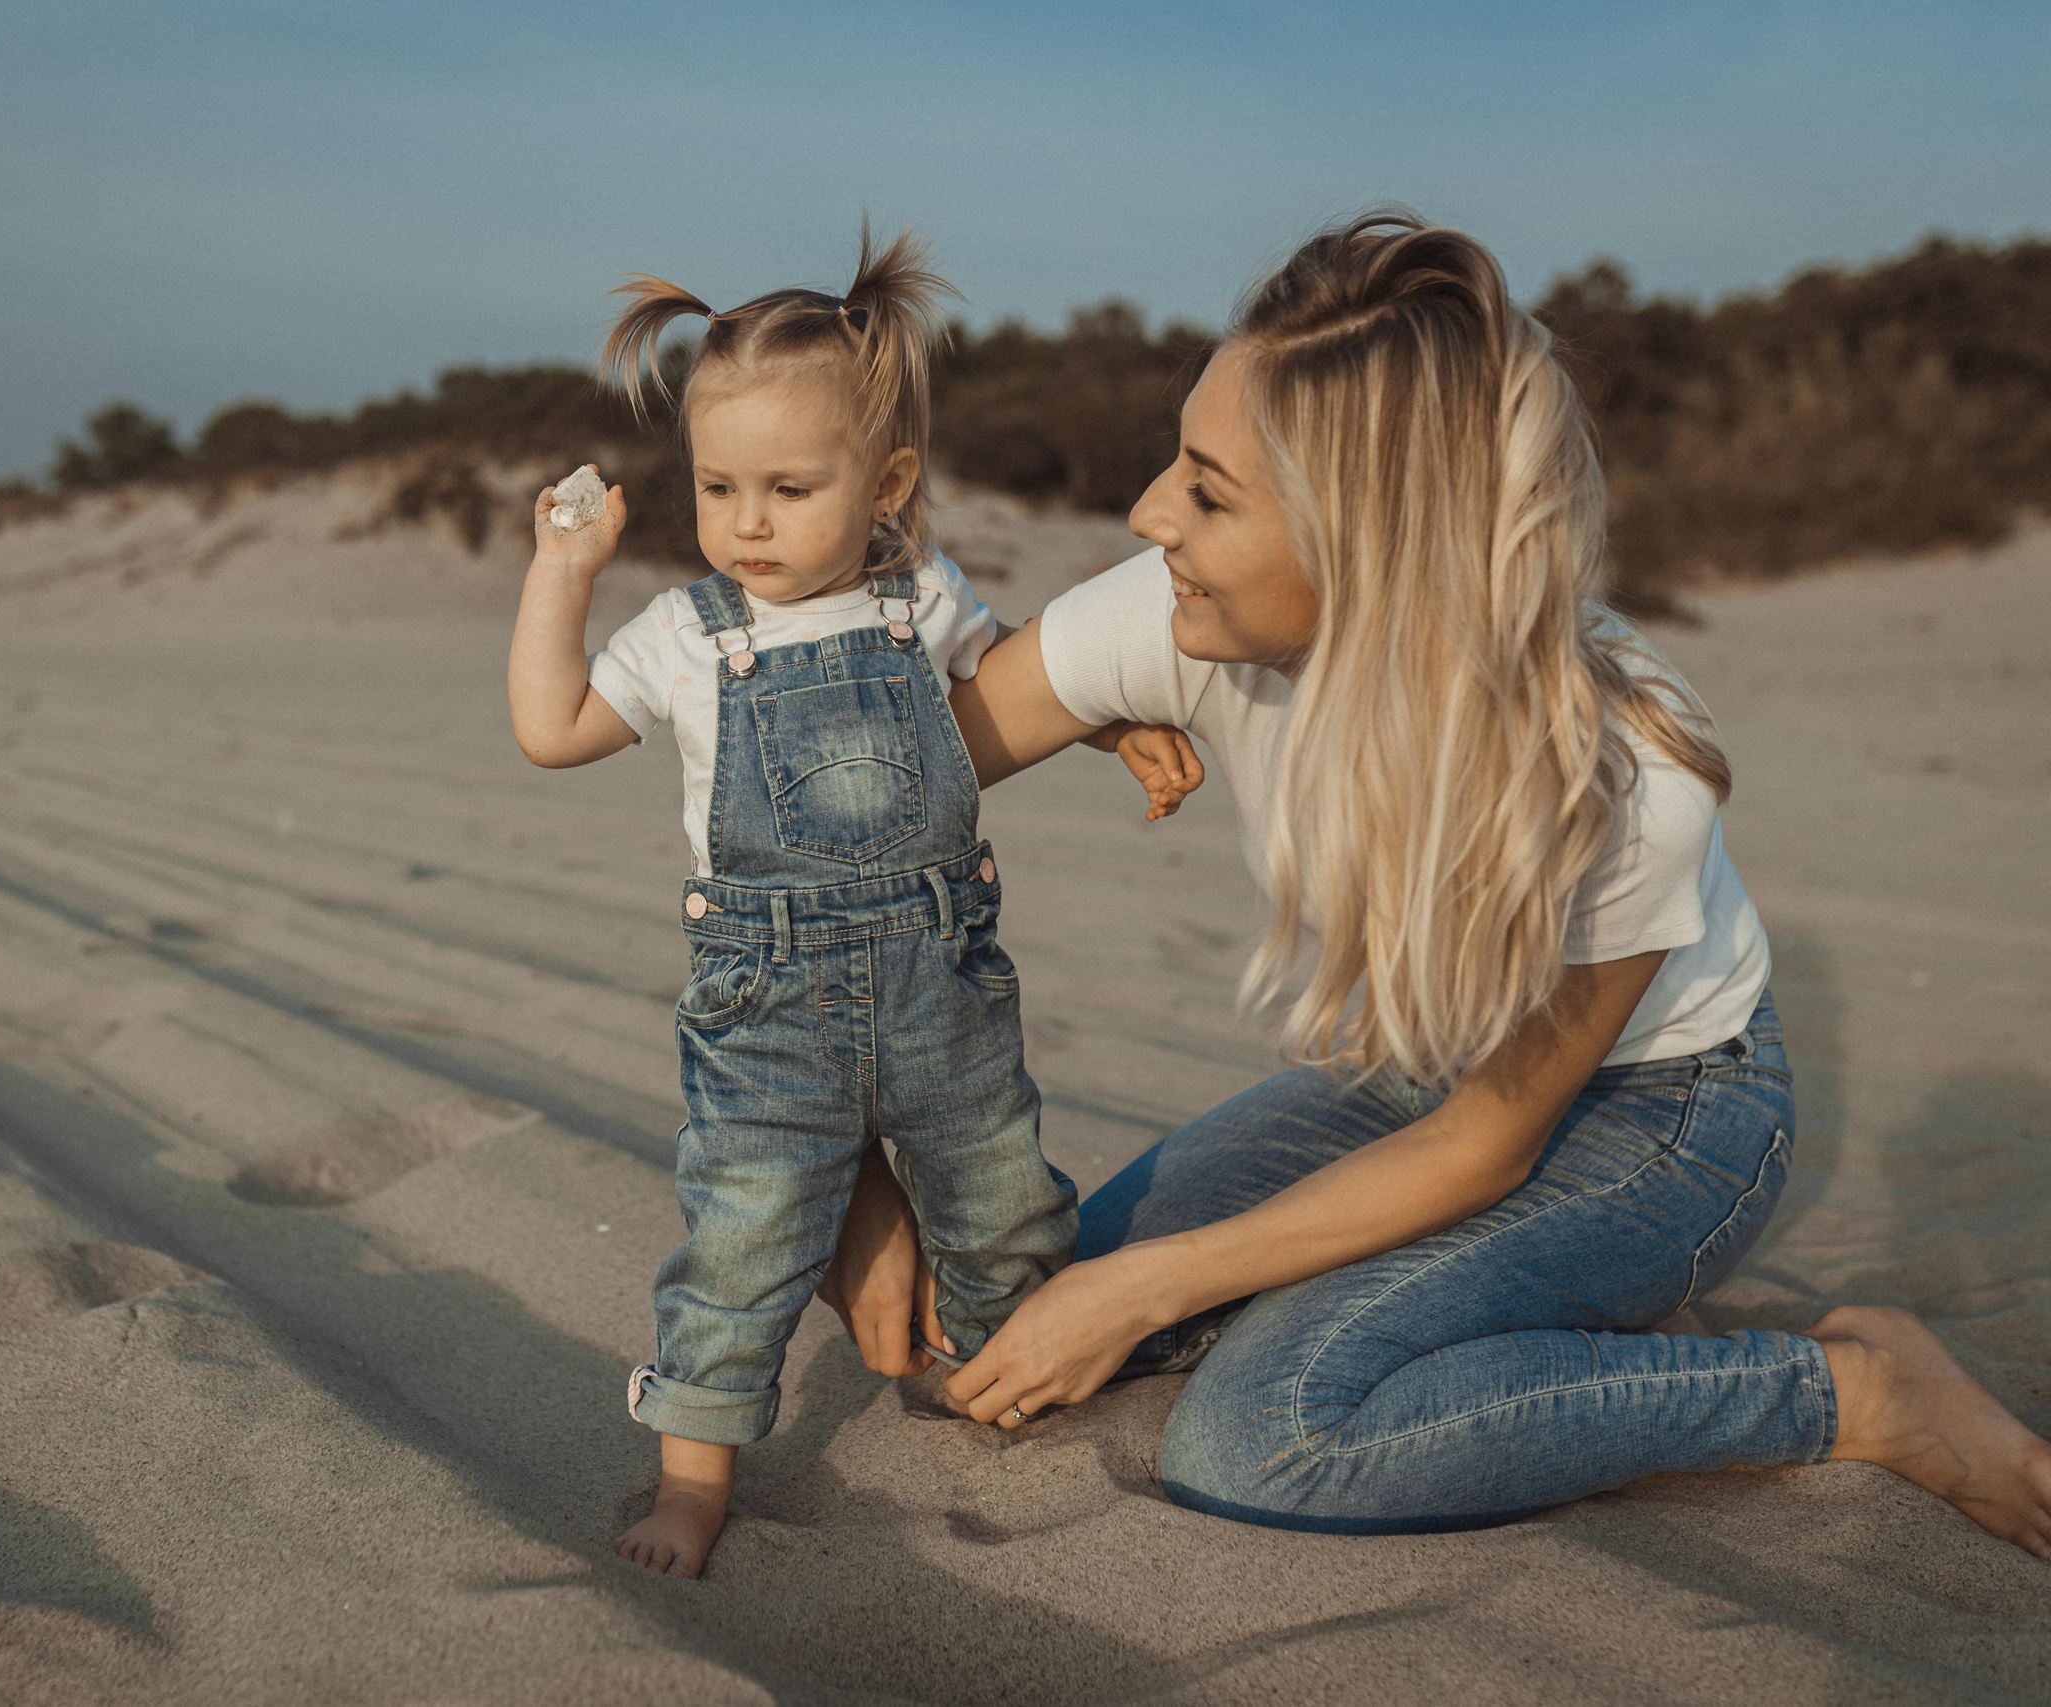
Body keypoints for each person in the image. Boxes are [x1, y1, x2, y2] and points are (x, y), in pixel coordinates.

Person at [819, 213, 2051, 1557]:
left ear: (1377, 538)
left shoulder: (1619, 772)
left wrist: (1143, 1289)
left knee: (1263, 1438)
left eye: (1212, 491)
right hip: (1409, 1070)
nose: (1148, 513)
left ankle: (1847, 1387)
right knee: (1004, 1318)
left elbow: (1484, 1145)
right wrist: (860, 1168)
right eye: (1179, 459)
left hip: (1662, 1112)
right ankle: (1537, 1305)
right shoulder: (1170, 610)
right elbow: (838, 825)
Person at [507, 228, 1083, 1577]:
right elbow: (552, 725)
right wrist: (564, 574)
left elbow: (1020, 676)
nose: (748, 521)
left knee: (1001, 1199)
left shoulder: (921, 598)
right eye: (719, 486)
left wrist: (1125, 728)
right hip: (766, 1009)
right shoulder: (689, 634)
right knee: (744, 1238)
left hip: (943, 986)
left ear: (886, 483)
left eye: (789, 486)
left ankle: (1006, 1370)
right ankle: (695, 1483)